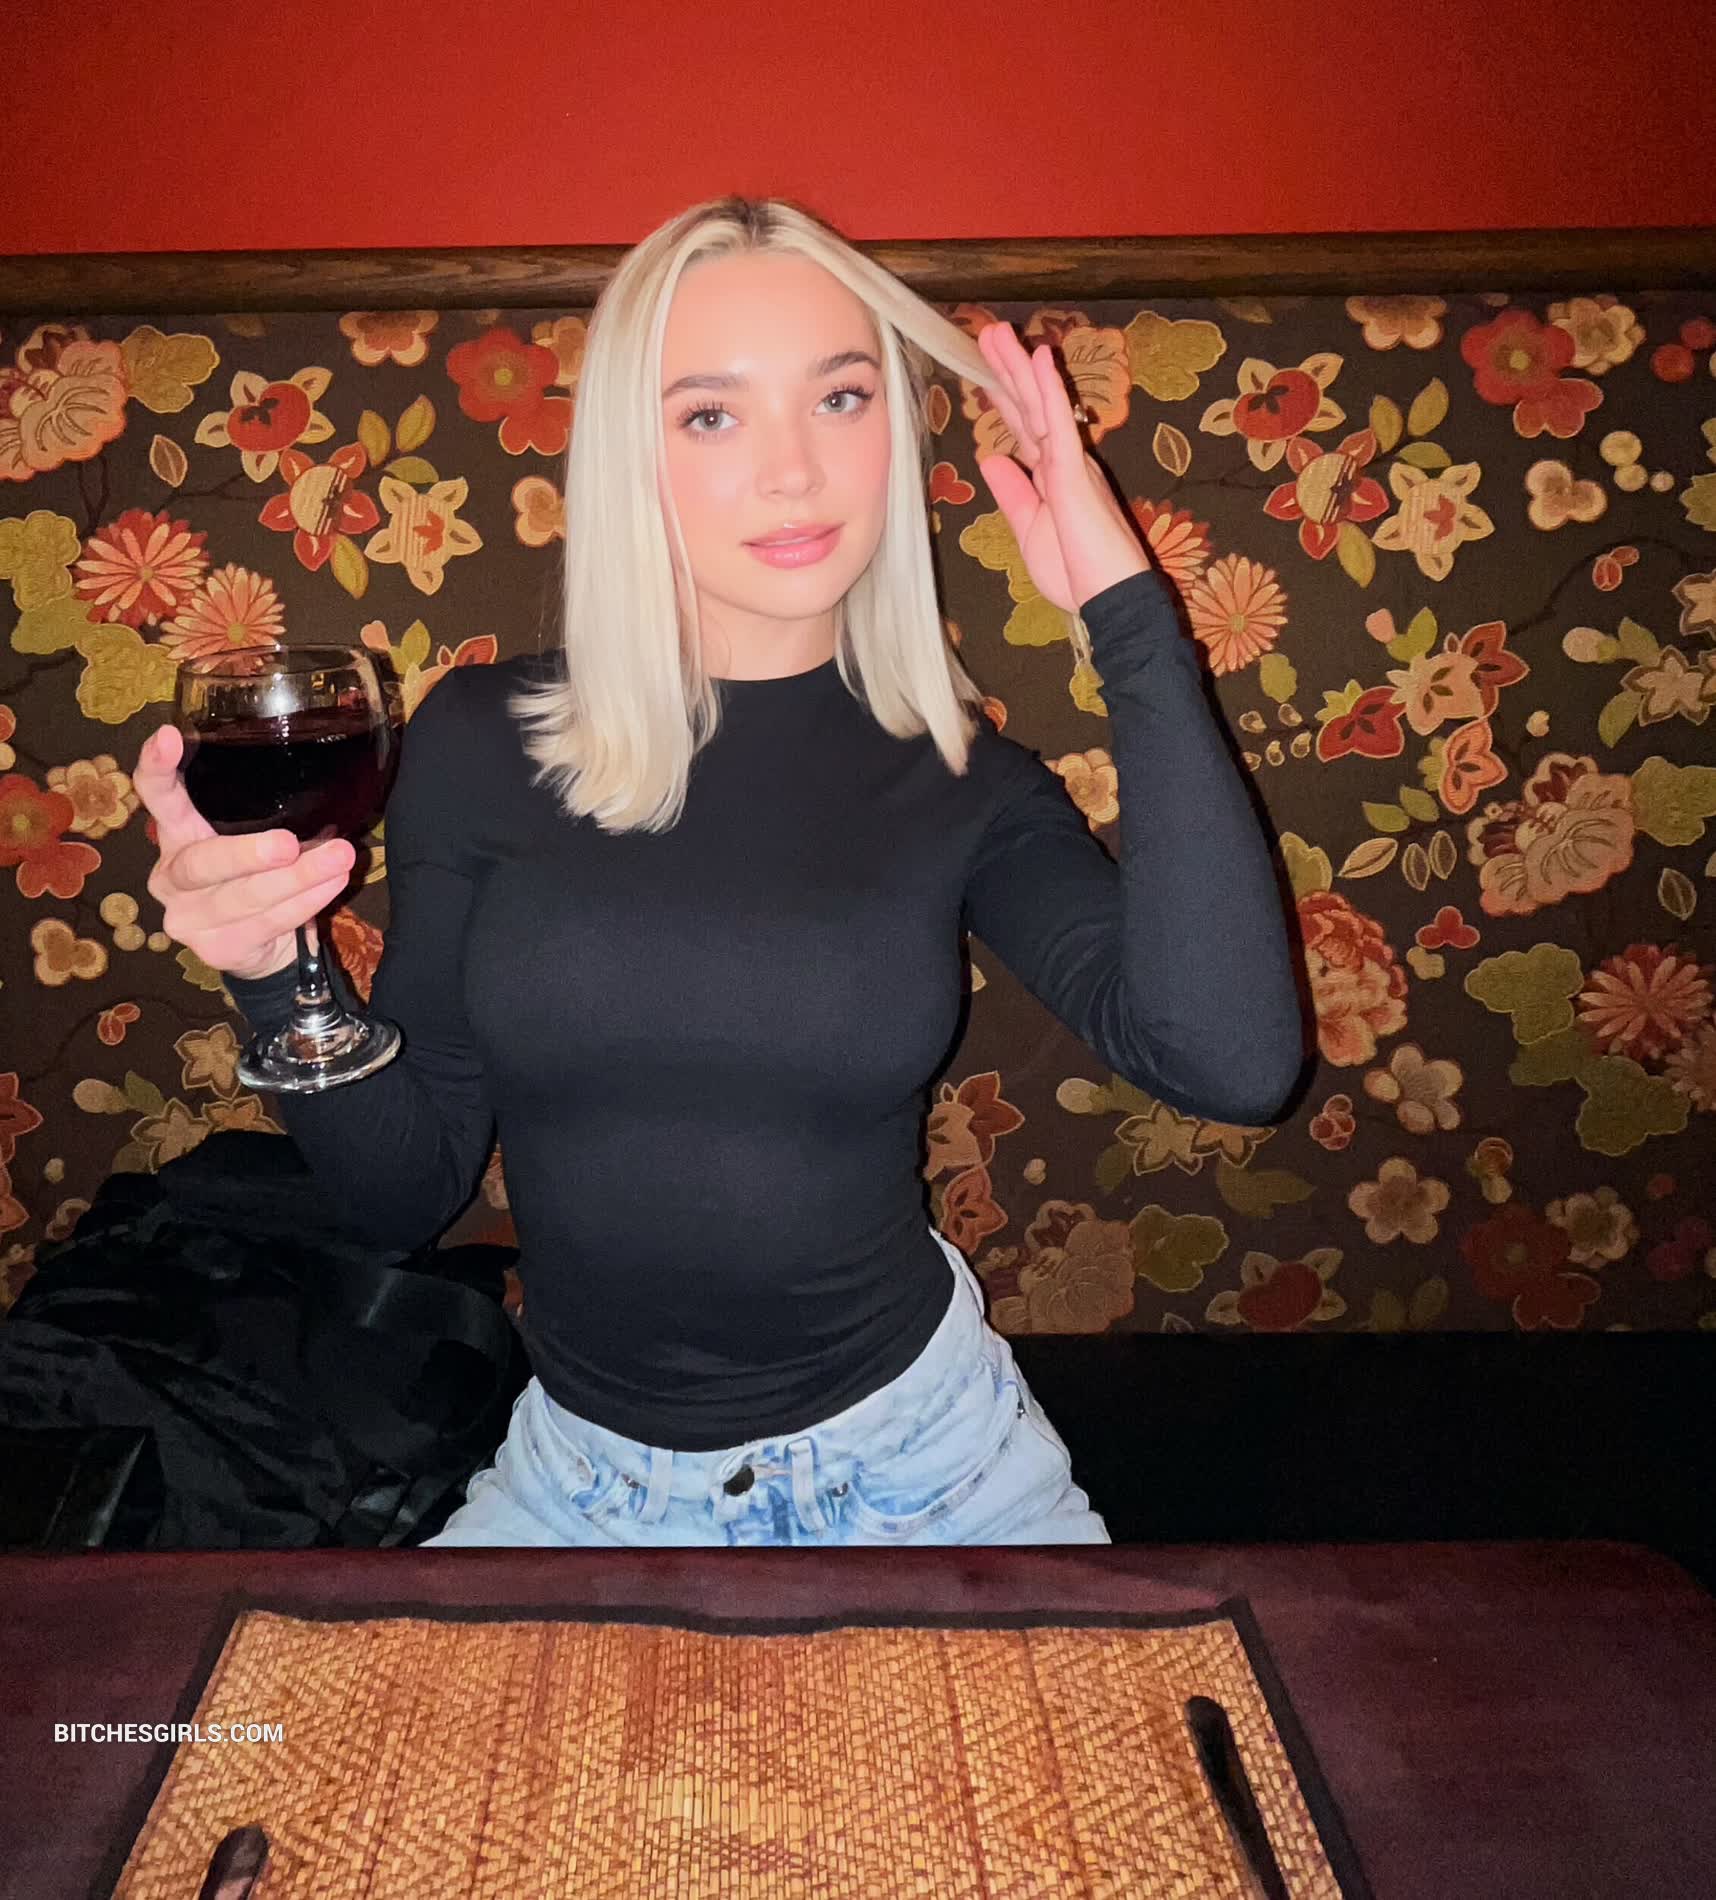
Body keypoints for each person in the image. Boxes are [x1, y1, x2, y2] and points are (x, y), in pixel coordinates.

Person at [133, 194, 1303, 1548]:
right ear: (629, 456)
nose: (795, 472)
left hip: (930, 1471)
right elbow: (402, 1193)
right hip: (580, 1485)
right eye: (710, 415)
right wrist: (274, 972)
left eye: (841, 398)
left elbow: (1232, 1065)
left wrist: (1128, 619)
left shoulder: (962, 777)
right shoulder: (477, 740)